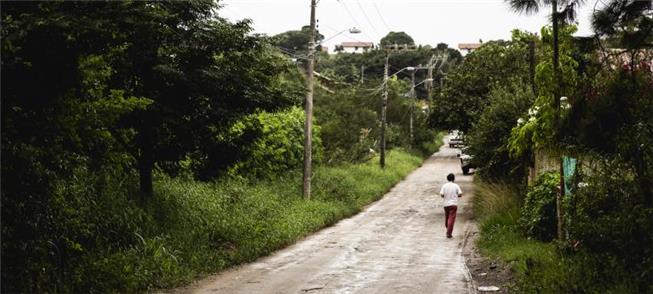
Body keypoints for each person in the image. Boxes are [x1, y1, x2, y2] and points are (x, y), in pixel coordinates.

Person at [440, 173, 462, 238]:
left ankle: (448, 229)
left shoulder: (444, 186)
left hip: (446, 205)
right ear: (454, 179)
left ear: (447, 179)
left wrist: (446, 196)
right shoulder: (456, 186)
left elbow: (442, 195)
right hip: (453, 204)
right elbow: (460, 194)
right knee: (451, 219)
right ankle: (449, 233)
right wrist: (456, 195)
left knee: (447, 218)